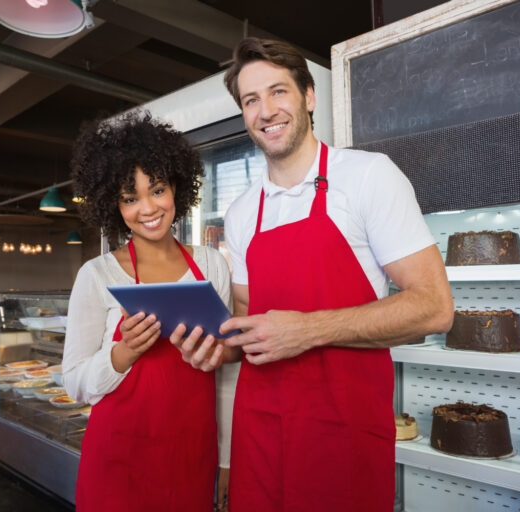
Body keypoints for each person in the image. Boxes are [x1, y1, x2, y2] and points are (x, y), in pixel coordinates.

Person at [176, 38, 455, 510]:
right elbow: (246, 318)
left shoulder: (368, 176)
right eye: (250, 100)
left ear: (308, 96)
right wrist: (213, 347)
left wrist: (307, 330)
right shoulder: (243, 212)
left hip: (342, 431)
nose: (266, 110)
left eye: (278, 92)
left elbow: (434, 306)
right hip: (260, 430)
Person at [62, 112, 234, 512]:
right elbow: (74, 383)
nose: (147, 208)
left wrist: (227, 460)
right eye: (129, 197)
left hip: (193, 454)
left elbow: (226, 373)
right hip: (118, 461)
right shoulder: (96, 275)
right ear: (113, 204)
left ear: (176, 186)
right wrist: (121, 355)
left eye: (157, 189)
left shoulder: (211, 265)